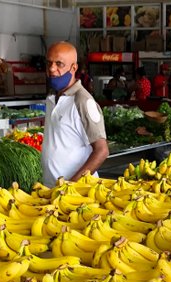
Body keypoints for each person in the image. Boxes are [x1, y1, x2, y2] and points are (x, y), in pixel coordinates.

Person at [41, 42, 109, 187]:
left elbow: (102, 151)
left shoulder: (83, 101)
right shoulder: (51, 97)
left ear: (74, 68)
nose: (52, 69)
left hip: (77, 193)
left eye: (59, 64)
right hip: (52, 189)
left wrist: (71, 186)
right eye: (49, 63)